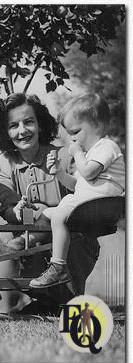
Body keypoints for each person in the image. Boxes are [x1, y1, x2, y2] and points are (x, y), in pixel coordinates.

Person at [0, 92, 101, 314]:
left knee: (65, 305)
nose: (22, 131)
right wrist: (18, 212)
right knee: (9, 237)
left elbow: (87, 199)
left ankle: (58, 299)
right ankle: (12, 303)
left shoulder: (65, 156)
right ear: (5, 131)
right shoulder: (1, 163)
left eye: (29, 122)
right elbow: (8, 208)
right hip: (28, 245)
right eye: (14, 125)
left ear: (40, 124)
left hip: (69, 247)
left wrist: (49, 210)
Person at [29, 93, 125, 288]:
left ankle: (58, 267)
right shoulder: (90, 154)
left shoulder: (106, 146)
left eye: (76, 132)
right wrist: (58, 172)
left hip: (103, 203)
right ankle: (22, 242)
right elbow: (77, 186)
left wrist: (78, 154)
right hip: (89, 201)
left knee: (61, 212)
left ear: (97, 125)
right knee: (49, 212)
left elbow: (88, 172)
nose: (72, 139)